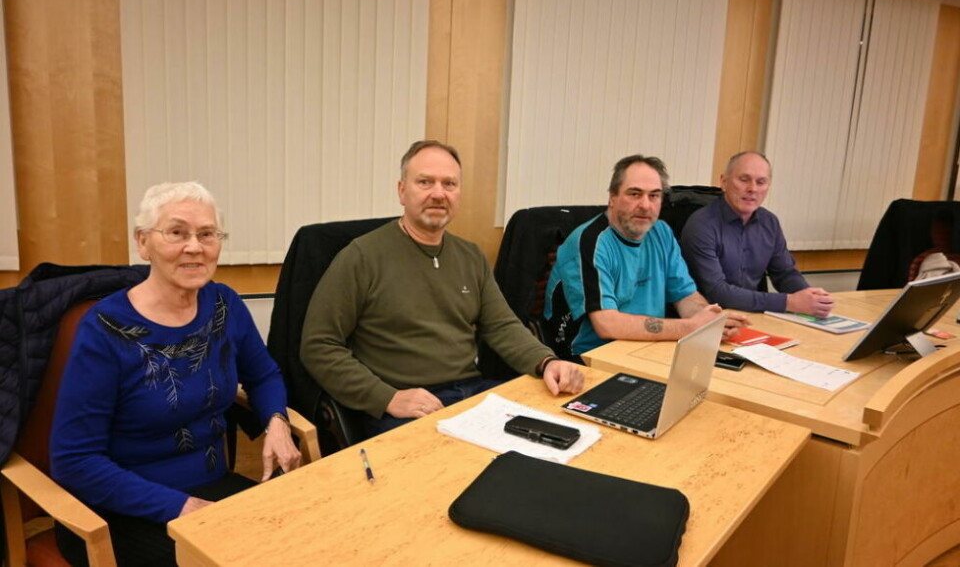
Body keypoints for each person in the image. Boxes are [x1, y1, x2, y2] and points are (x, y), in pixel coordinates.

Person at [51, 182, 301, 567]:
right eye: (177, 232)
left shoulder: (224, 303)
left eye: (207, 234)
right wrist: (180, 506)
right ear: (143, 243)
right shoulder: (103, 331)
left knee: (303, 544)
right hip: (119, 509)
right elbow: (75, 460)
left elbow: (264, 374)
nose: (194, 247)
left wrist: (277, 421)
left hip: (211, 489)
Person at [299, 140, 584, 435]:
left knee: (560, 431)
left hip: (471, 394)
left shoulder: (470, 256)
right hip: (405, 406)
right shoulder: (360, 257)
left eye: (449, 184)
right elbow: (319, 346)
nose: (438, 193)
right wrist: (387, 397)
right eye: (425, 182)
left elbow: (502, 327)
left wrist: (546, 361)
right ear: (401, 191)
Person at [546, 154, 748, 357]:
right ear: (612, 197)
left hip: (647, 350)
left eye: (654, 196)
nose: (645, 205)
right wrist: (689, 327)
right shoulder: (591, 241)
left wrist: (708, 319)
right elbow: (607, 324)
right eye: (635, 194)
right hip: (589, 358)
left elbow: (685, 296)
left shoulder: (661, 233)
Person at [680, 151, 834, 317]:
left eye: (761, 182)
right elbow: (717, 292)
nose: (752, 189)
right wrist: (789, 302)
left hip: (754, 317)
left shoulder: (770, 222)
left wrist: (810, 297)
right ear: (724, 182)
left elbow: (785, 274)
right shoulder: (701, 225)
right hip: (711, 319)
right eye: (744, 180)